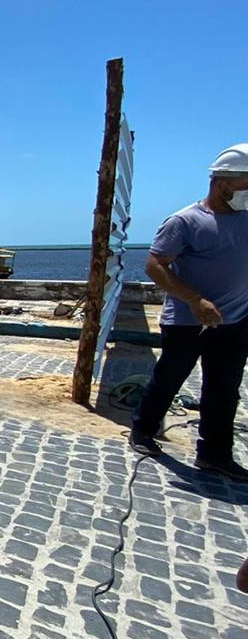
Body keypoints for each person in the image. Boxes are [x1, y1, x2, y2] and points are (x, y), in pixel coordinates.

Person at [130, 143, 248, 481]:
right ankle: (142, 430)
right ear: (222, 181)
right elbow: (155, 265)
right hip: (188, 322)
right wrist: (194, 299)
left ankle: (215, 454)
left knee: (224, 388)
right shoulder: (186, 221)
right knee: (170, 377)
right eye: (246, 183)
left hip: (235, 321)